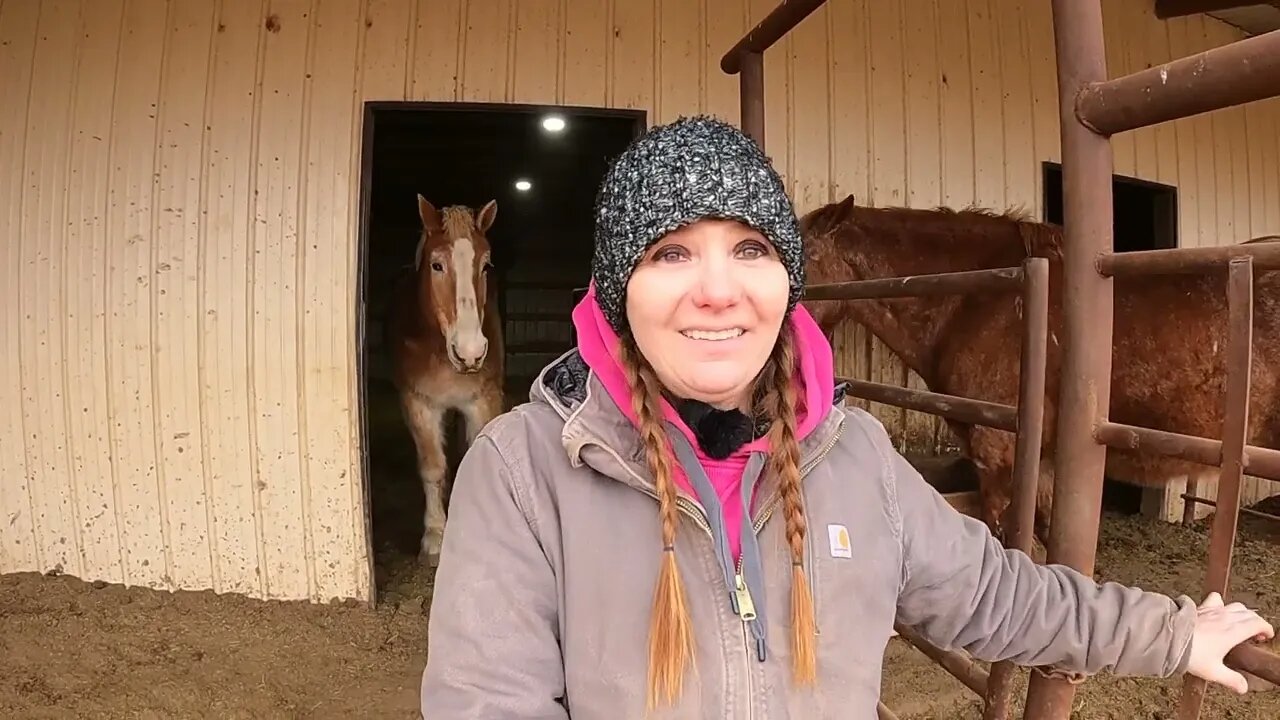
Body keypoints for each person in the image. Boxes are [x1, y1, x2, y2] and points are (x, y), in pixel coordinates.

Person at [419, 115, 1274, 719]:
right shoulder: (523, 473)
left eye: (750, 250)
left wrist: (1173, 633)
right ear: (617, 292)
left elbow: (1001, 596)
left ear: (786, 282)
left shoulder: (854, 457)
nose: (717, 288)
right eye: (671, 252)